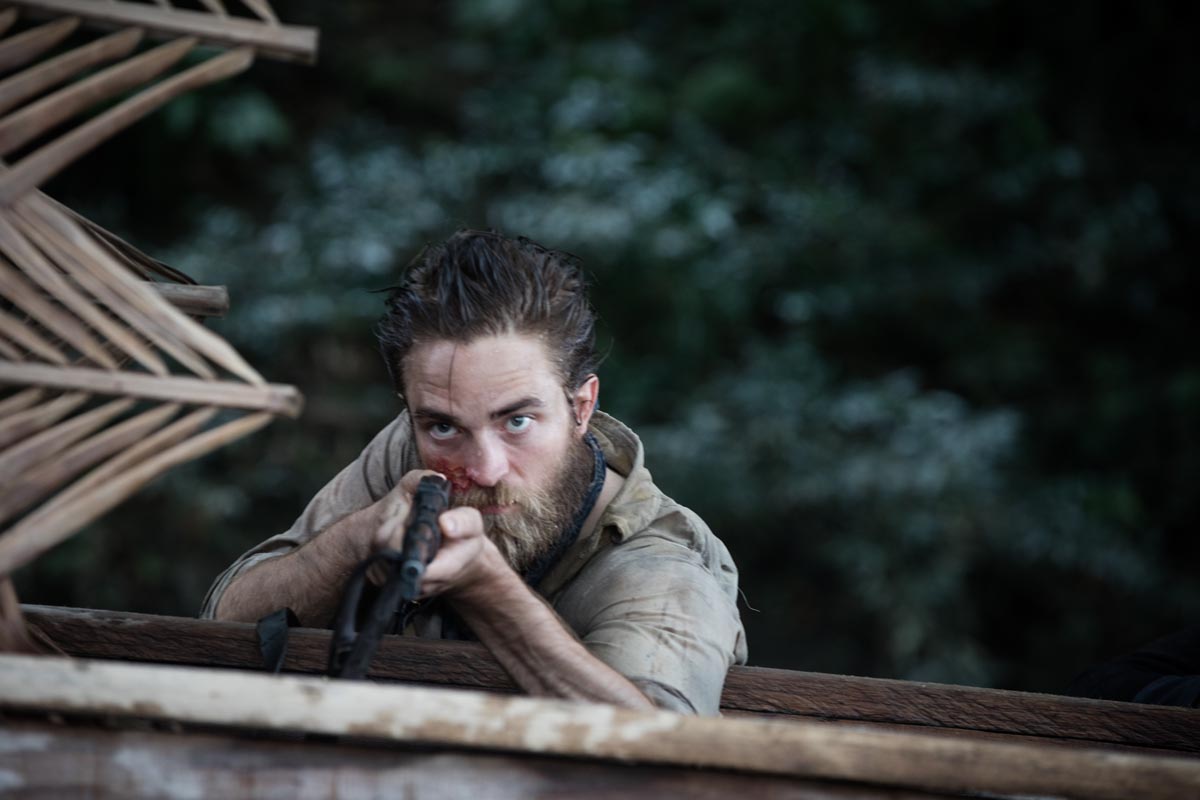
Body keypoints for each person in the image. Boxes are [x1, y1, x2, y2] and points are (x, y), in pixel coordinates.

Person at [202, 229, 747, 715]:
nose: (483, 468)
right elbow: (223, 624)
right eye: (444, 426)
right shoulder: (412, 449)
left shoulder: (663, 568)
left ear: (581, 407)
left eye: (517, 421)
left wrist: (487, 590)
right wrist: (357, 540)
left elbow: (663, 760)